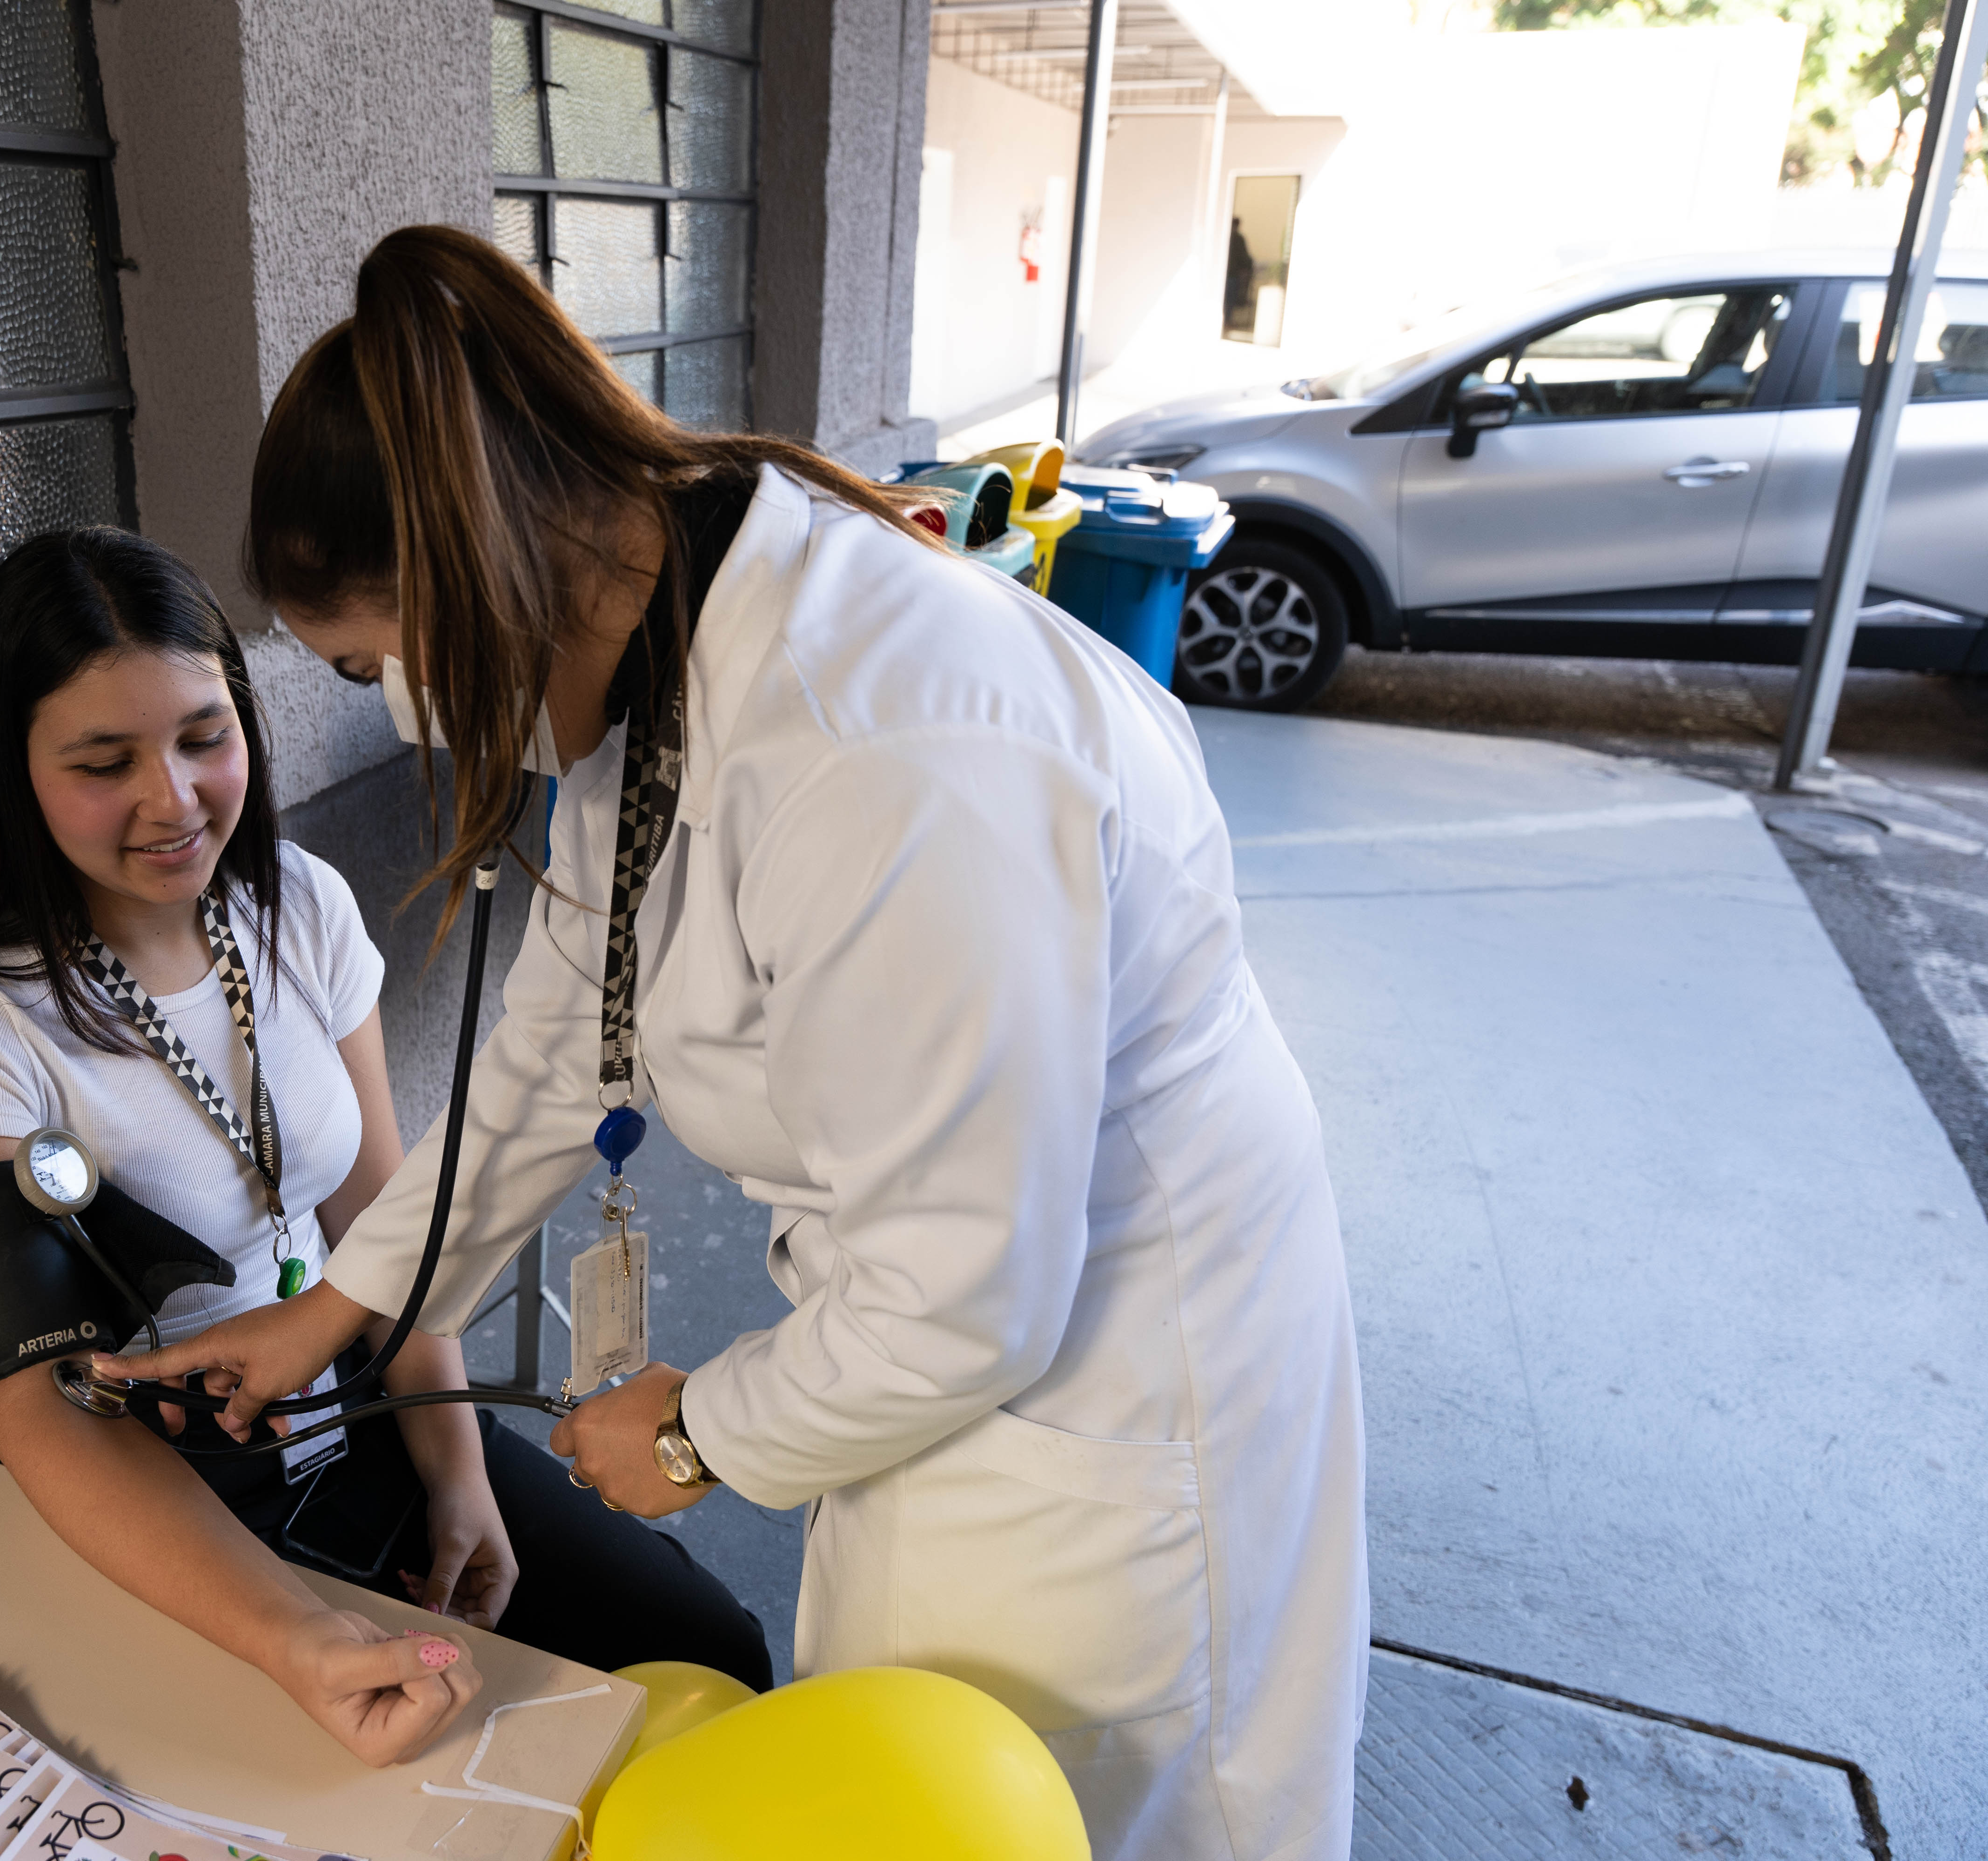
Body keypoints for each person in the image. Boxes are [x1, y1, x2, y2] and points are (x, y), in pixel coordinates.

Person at [106, 226, 1370, 1856]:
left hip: (1100, 1376)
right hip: (934, 1336)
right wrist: (337, 1313)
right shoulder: (679, 653)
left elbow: (973, 1287)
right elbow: (566, 1033)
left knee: (1053, 1805)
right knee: (890, 1766)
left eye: (377, 663)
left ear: (480, 569)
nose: (407, 715)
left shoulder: (886, 747)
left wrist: (702, 1433)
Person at [0, 527, 770, 1770]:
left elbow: (379, 1218)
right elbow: (42, 1417)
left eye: (202, 737)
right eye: (103, 762)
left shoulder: (296, 902)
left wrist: (458, 1478)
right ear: (14, 774)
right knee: (454, 1780)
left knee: (710, 1647)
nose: (175, 800)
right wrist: (296, 1638)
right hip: (173, 1507)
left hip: (371, 1421)